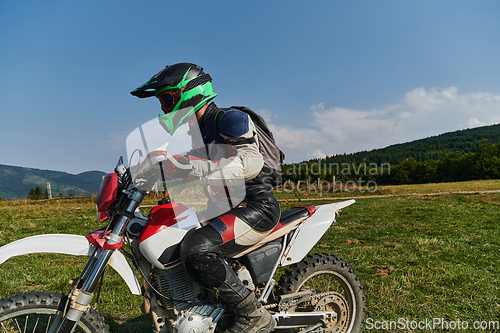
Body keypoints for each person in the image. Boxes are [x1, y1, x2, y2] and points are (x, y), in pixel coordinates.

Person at [131, 63, 280, 333]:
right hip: (222, 207)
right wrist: (154, 169)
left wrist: (206, 171)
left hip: (256, 207)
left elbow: (251, 161)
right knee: (167, 233)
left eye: (167, 99)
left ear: (190, 92)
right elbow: (196, 166)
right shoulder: (198, 132)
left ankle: (253, 315)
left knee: (196, 249)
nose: (164, 109)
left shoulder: (229, 119)